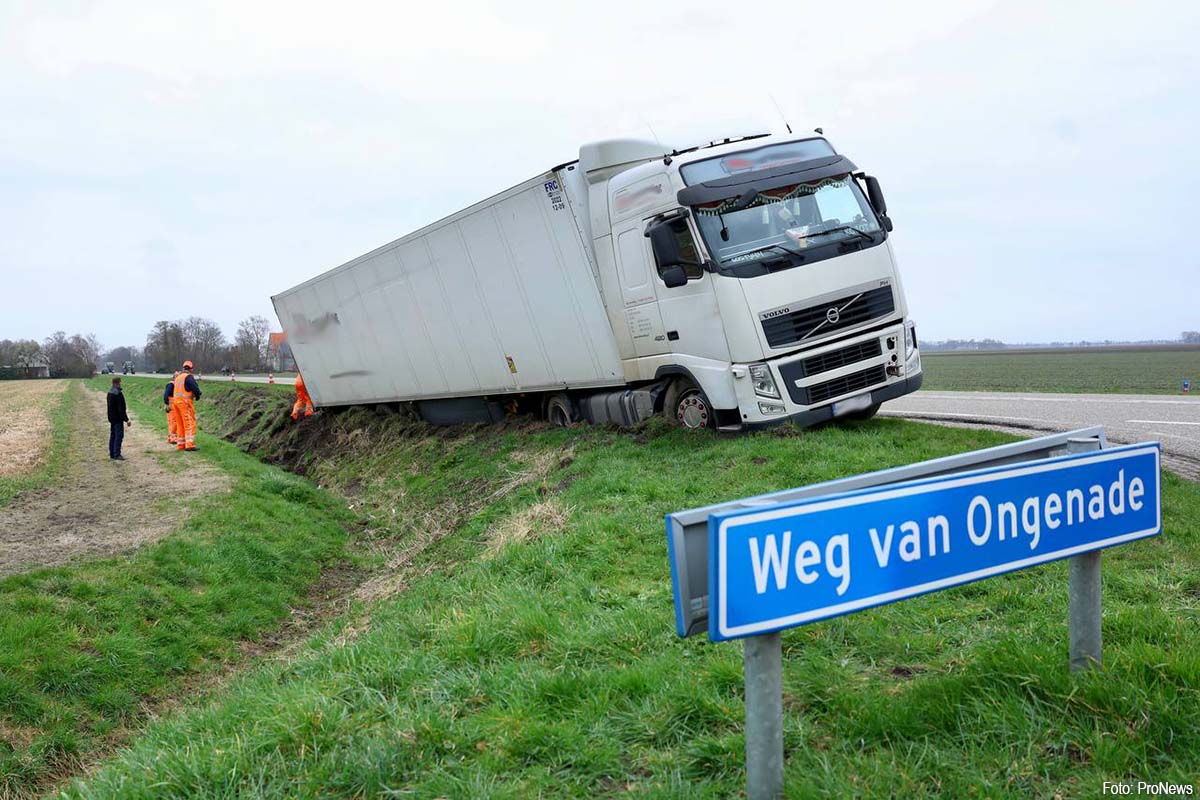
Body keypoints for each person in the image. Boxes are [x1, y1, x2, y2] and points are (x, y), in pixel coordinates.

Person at [170, 360, 202, 451]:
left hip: (176, 403)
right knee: (189, 423)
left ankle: (181, 444)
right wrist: (198, 395)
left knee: (180, 424)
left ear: (183, 368)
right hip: (185, 403)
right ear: (191, 369)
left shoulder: (178, 377)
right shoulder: (188, 377)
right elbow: (195, 388)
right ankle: (190, 444)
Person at [106, 376, 132, 460]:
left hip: (111, 418)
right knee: (119, 436)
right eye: (120, 382)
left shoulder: (110, 392)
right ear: (117, 383)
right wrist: (126, 419)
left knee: (113, 435)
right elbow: (121, 409)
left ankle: (112, 453)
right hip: (118, 418)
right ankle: (117, 454)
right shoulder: (118, 394)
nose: (120, 384)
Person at [164, 372, 179, 445]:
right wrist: (167, 404)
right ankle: (172, 438)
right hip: (171, 406)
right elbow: (166, 394)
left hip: (174, 405)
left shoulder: (176, 384)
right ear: (174, 377)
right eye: (176, 376)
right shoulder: (171, 384)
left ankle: (173, 437)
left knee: (174, 422)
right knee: (173, 422)